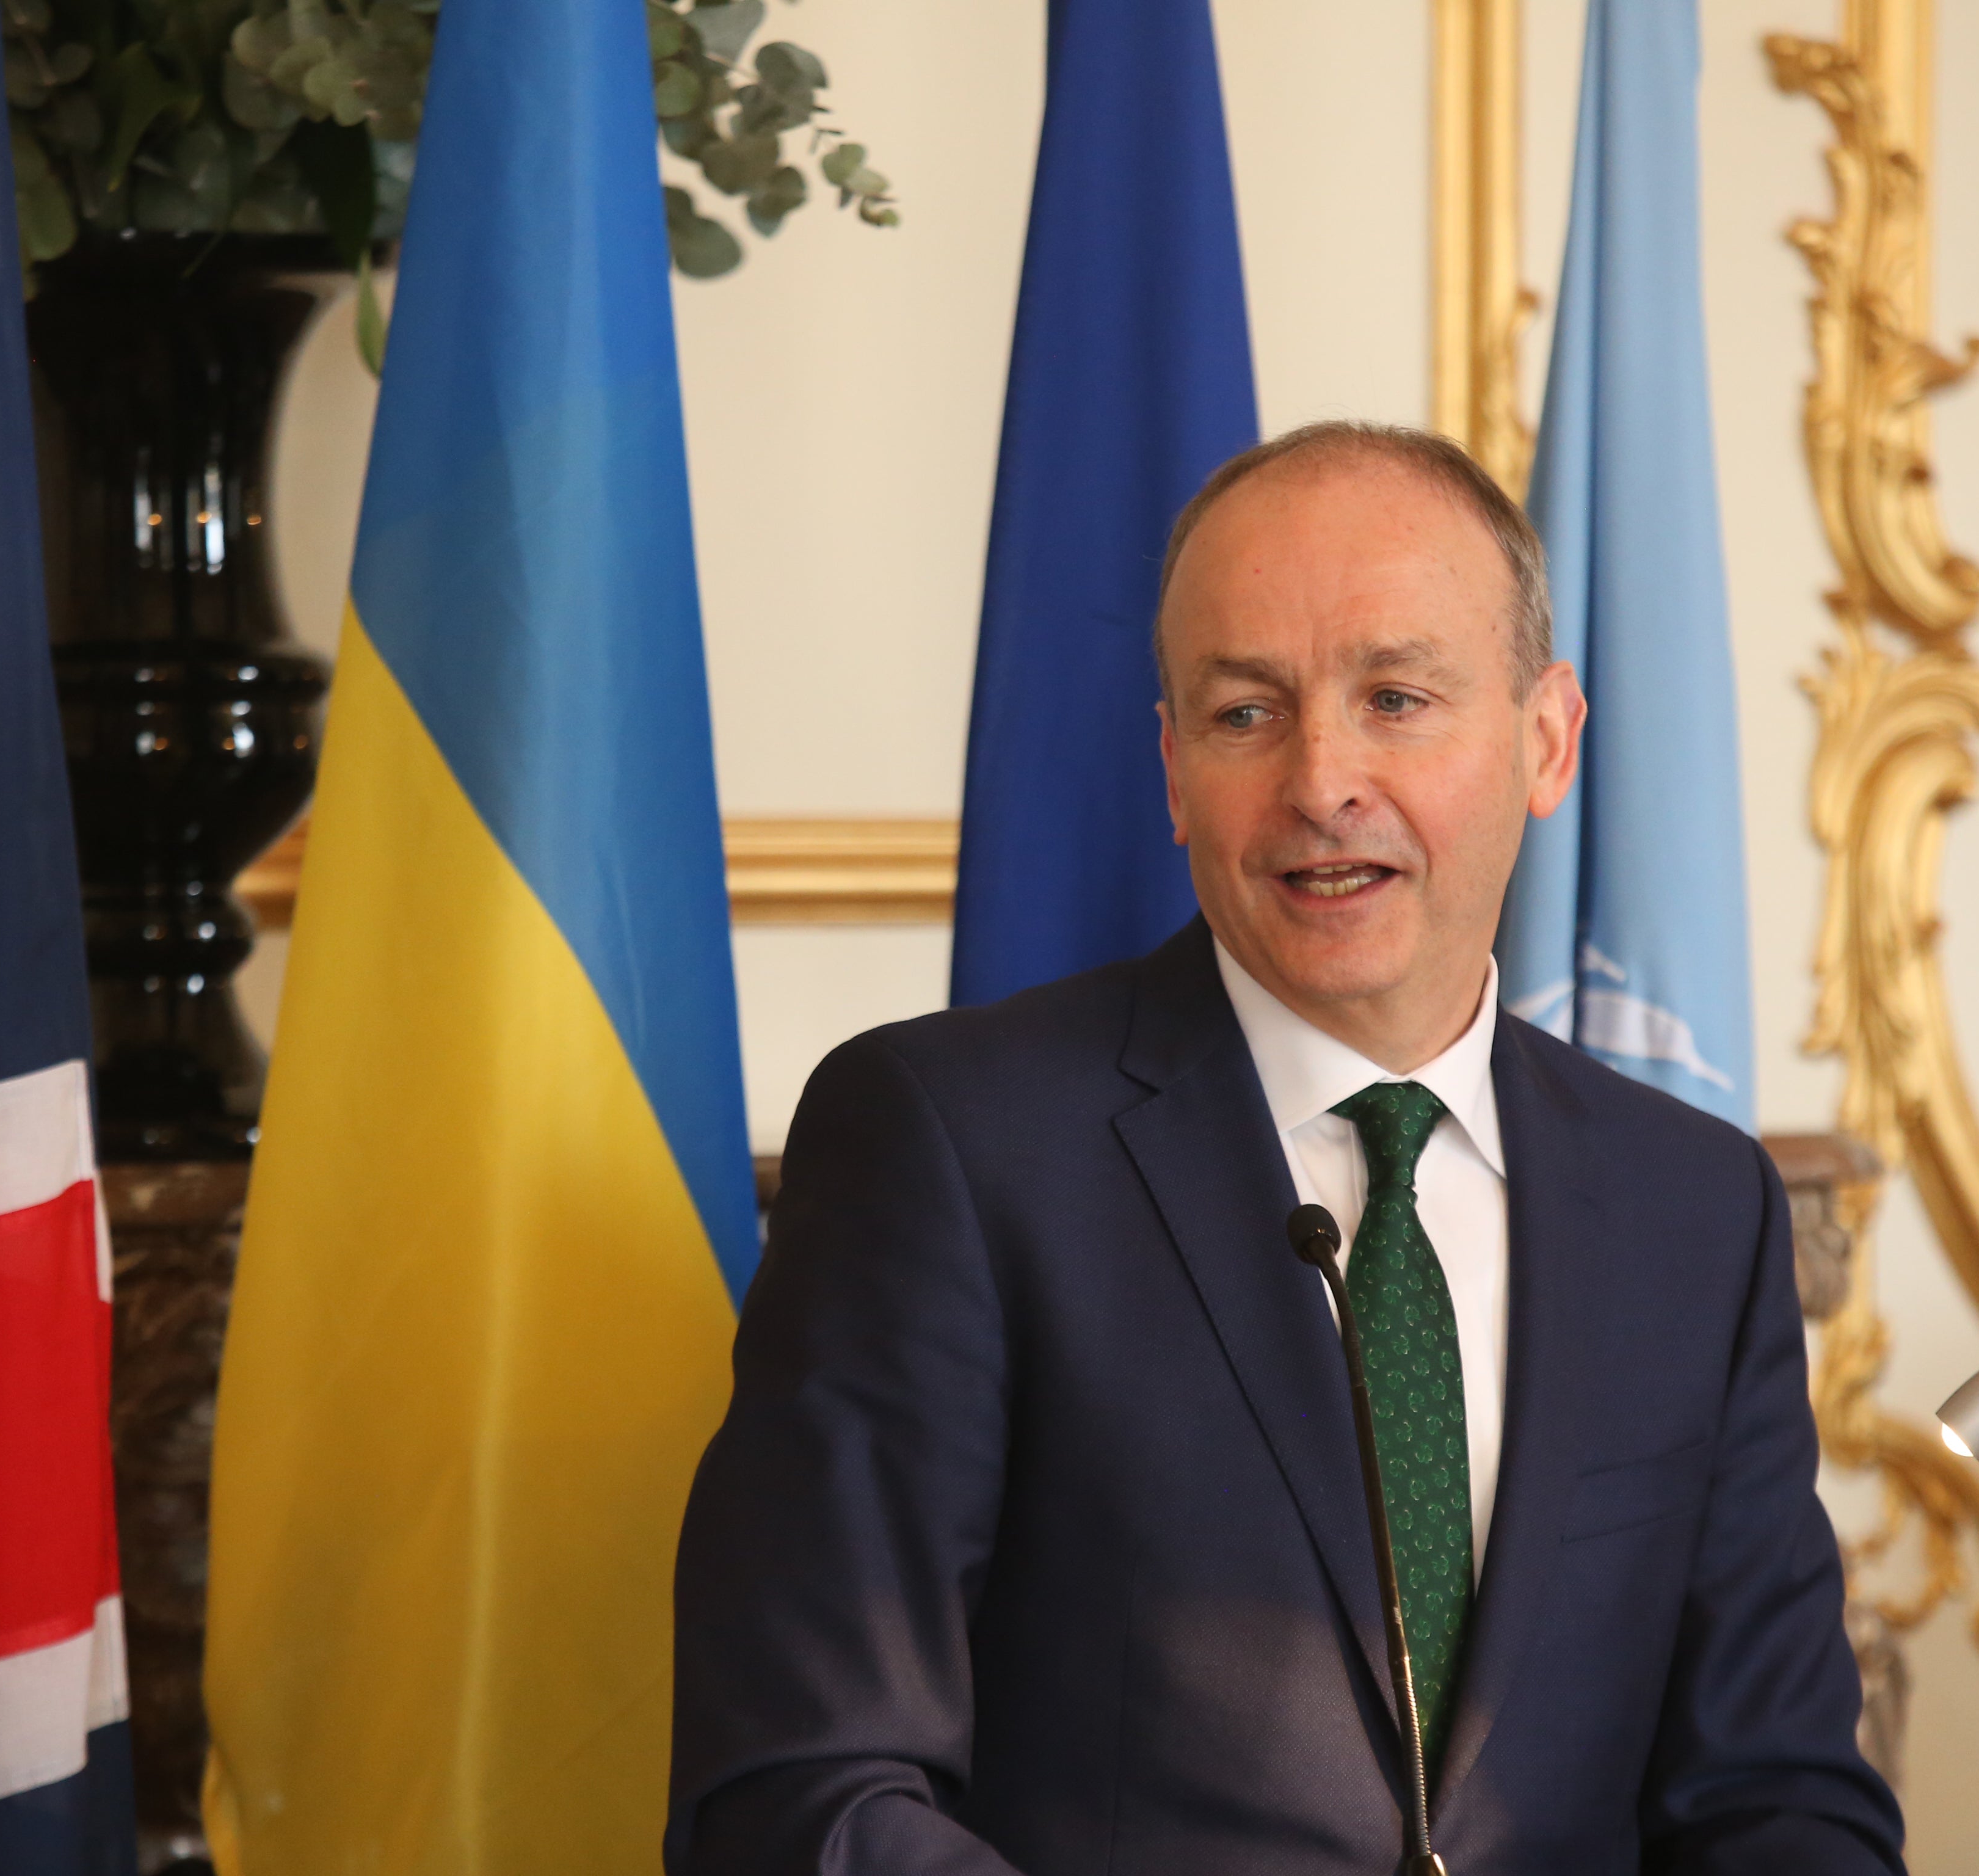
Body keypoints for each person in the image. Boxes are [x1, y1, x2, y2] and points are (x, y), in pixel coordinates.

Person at [667, 422, 1906, 1875]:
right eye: (1248, 715)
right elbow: (806, 1790)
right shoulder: (949, 1148)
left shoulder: (1695, 1209)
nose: (1324, 780)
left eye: (1395, 697)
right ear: (1176, 767)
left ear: (1547, 738)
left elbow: (1780, 1800)